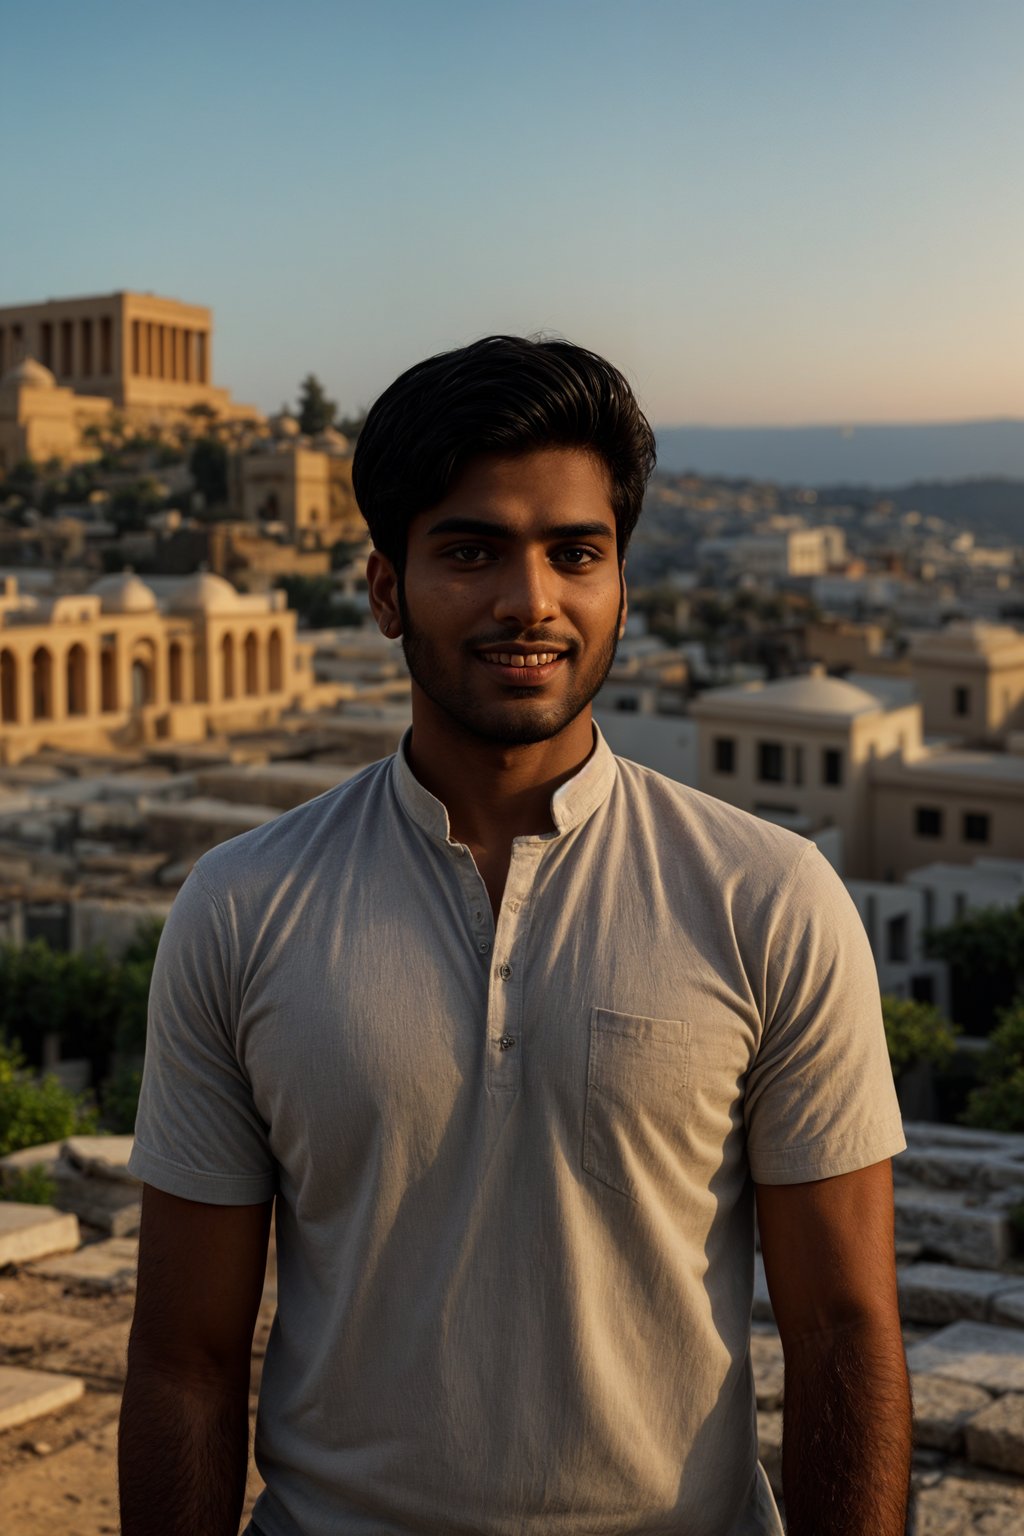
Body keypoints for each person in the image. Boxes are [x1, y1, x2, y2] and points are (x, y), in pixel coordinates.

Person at [120, 335, 911, 1536]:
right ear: (385, 589)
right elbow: (185, 1356)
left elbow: (843, 1334)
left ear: (620, 591)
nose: (528, 600)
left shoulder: (769, 896)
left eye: (573, 554)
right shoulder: (242, 905)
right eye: (471, 551)